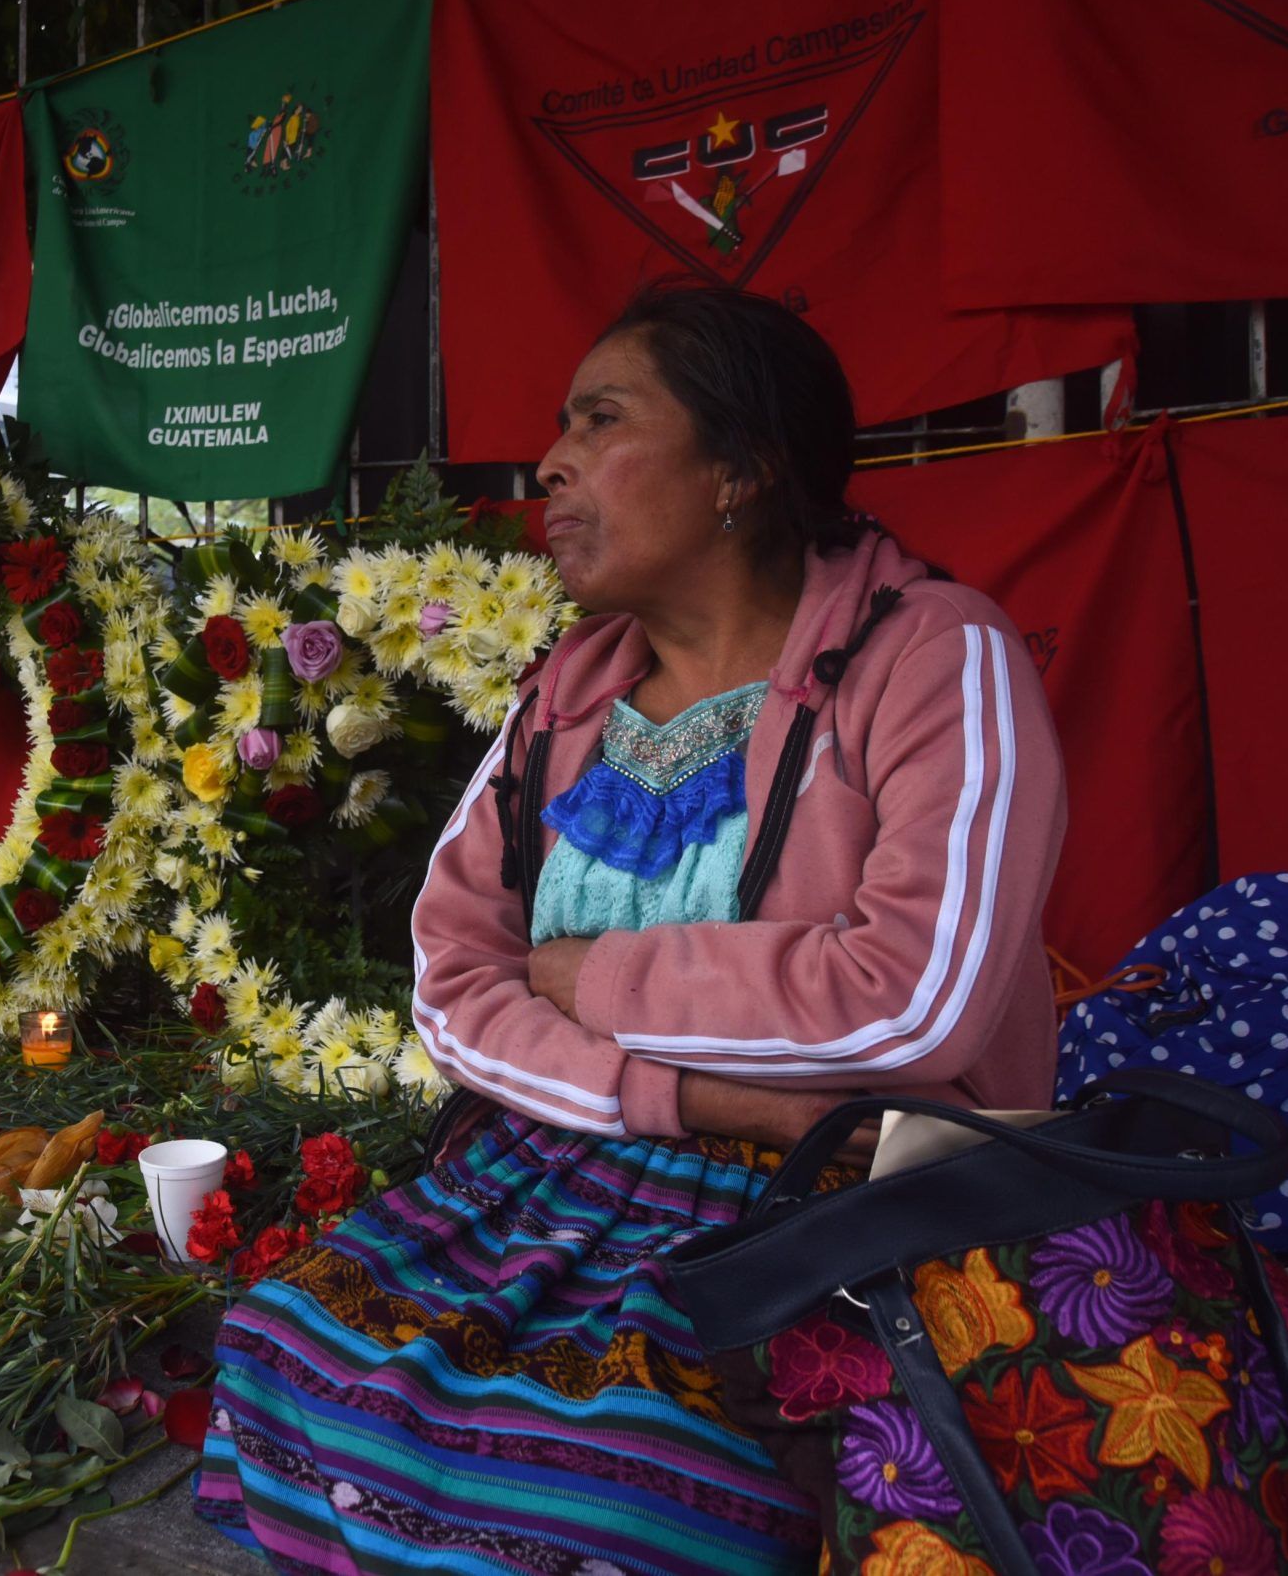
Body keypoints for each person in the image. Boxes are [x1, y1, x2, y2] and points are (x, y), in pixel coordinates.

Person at [194, 285, 1067, 1574]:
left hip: (838, 1188)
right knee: (283, 1360)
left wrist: (588, 974)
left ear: (744, 467)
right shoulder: (568, 695)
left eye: (600, 419)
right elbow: (452, 976)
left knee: (618, 1485)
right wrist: (664, 1088)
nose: (549, 462)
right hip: (580, 1153)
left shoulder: (936, 659)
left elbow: (915, 997)